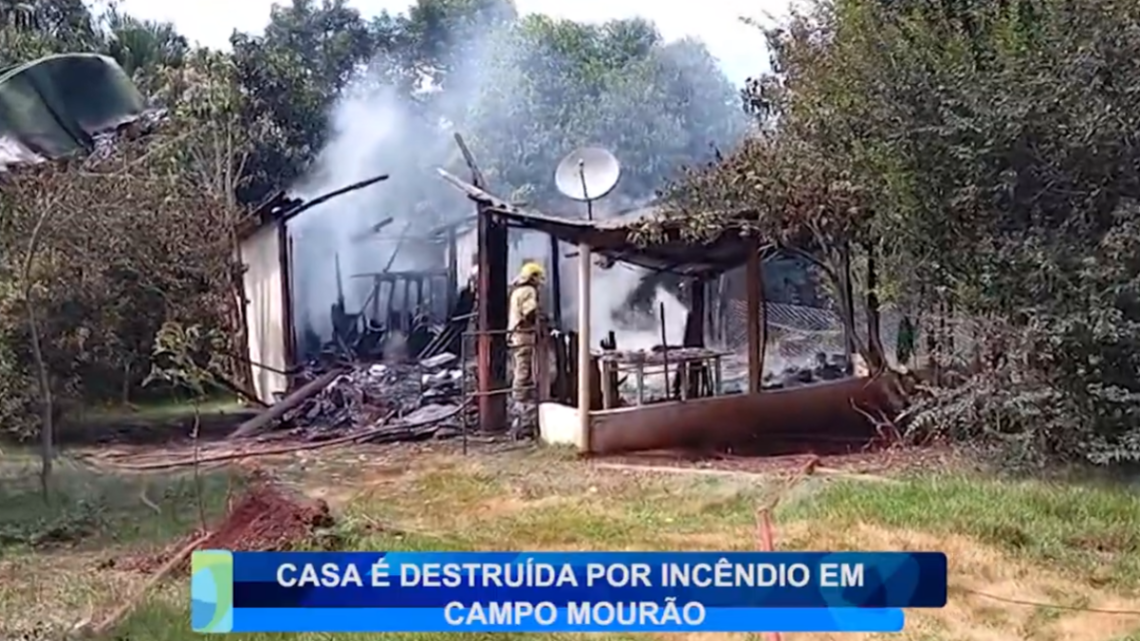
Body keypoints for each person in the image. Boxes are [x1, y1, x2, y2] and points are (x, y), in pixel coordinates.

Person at [508, 260, 545, 403]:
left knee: (520, 364)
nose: (539, 282)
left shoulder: (517, 291)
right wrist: (541, 320)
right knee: (524, 365)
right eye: (538, 278)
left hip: (515, 333)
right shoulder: (529, 291)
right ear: (532, 276)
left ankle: (522, 394)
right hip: (524, 333)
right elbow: (529, 312)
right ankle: (520, 399)